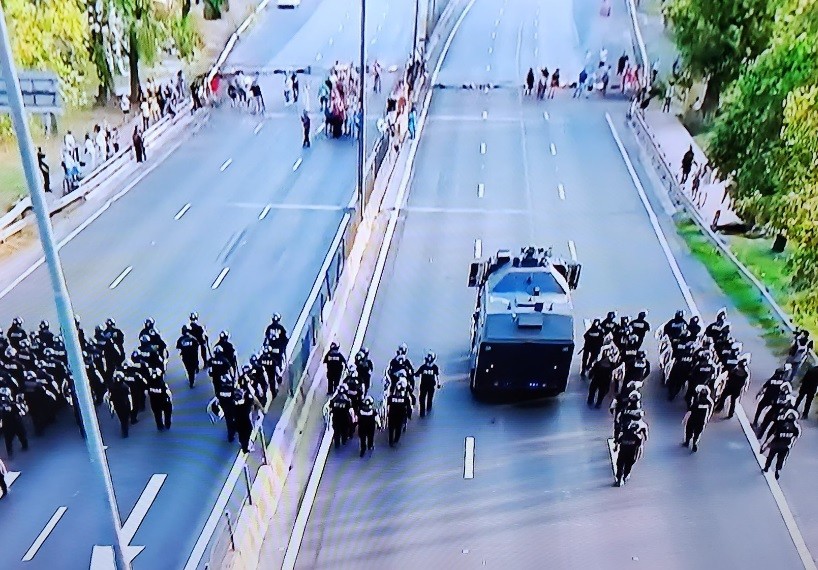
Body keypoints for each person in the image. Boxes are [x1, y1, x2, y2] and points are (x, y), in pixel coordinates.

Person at [761, 409, 801, 480]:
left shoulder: (781, 423)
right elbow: (796, 437)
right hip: (785, 446)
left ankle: (767, 468)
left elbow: (773, 434)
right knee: (781, 459)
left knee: (771, 457)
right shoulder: (796, 428)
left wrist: (766, 444)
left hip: (776, 444)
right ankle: (777, 470)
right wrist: (791, 445)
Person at [614, 420, 647, 487]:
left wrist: (616, 448)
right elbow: (639, 447)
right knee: (627, 466)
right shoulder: (637, 437)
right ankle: (623, 477)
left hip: (623, 454)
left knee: (620, 466)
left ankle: (620, 478)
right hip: (630, 455)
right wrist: (638, 456)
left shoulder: (625, 435)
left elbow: (618, 442)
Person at [683, 385, 714, 452]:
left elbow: (710, 411)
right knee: (691, 431)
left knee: (695, 432)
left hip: (699, 419)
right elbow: (690, 408)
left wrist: (707, 420)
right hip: (695, 418)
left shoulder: (706, 401)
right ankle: (689, 442)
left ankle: (692, 443)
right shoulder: (697, 399)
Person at [0, 386, 28, 456]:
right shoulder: (2, 404)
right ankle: (10, 452)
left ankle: (24, 446)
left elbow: (23, 412)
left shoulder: (15, 401)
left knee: (21, 434)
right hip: (8, 422)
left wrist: (16, 406)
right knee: (8, 438)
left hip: (15, 421)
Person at [415, 351, 440, 417]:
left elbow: (437, 376)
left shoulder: (434, 367)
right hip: (424, 385)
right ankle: (422, 412)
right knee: (422, 399)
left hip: (430, 386)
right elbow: (417, 373)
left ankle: (428, 409)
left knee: (429, 398)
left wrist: (438, 383)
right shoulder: (423, 367)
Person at [387, 382, 412, 446]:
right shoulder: (405, 398)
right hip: (400, 416)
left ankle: (391, 442)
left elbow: (387, 404)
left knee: (391, 429)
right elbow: (409, 407)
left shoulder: (391, 397)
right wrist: (409, 415)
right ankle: (395, 440)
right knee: (398, 429)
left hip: (392, 415)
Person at [109, 372, 133, 438]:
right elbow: (129, 396)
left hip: (117, 405)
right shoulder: (125, 386)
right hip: (125, 405)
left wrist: (111, 407)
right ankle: (125, 432)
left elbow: (111, 397)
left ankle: (124, 430)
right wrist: (131, 405)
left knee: (122, 419)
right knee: (125, 419)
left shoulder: (112, 387)